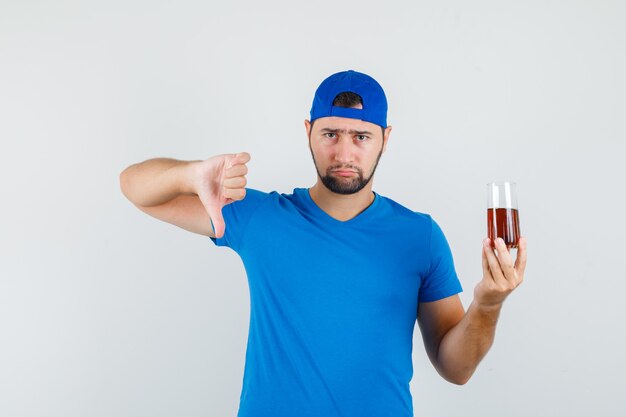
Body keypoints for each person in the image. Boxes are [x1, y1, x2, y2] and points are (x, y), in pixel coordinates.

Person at [119, 69, 527, 417]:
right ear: (308, 132)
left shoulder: (419, 235)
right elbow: (134, 186)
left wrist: (488, 303)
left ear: (385, 138)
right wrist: (190, 175)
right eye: (331, 133)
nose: (344, 152)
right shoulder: (261, 217)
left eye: (361, 137)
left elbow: (456, 368)